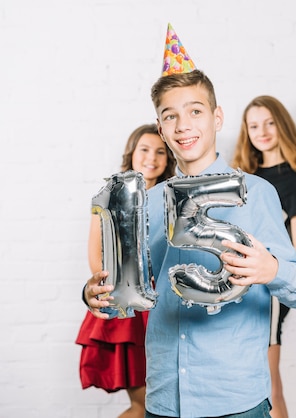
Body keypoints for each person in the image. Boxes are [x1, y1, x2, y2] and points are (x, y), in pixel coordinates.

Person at [82, 24, 296, 418]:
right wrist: (96, 296)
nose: (183, 125)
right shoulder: (149, 202)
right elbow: (129, 287)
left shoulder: (256, 193)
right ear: (161, 129)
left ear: (217, 117)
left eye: (195, 111)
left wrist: (269, 268)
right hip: (165, 397)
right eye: (170, 116)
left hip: (235, 397)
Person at [76, 123, 175, 418]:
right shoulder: (109, 197)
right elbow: (96, 259)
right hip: (128, 309)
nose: (152, 158)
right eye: (144, 150)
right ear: (131, 153)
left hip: (164, 305)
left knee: (166, 405)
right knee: (144, 405)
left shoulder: (172, 197)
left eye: (160, 152)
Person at [232, 95, 296, 418]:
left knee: (269, 386)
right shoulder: (243, 178)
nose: (262, 132)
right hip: (240, 288)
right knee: (249, 385)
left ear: (282, 126)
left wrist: (261, 264)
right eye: (254, 125)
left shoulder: (294, 179)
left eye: (269, 123)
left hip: (268, 293)